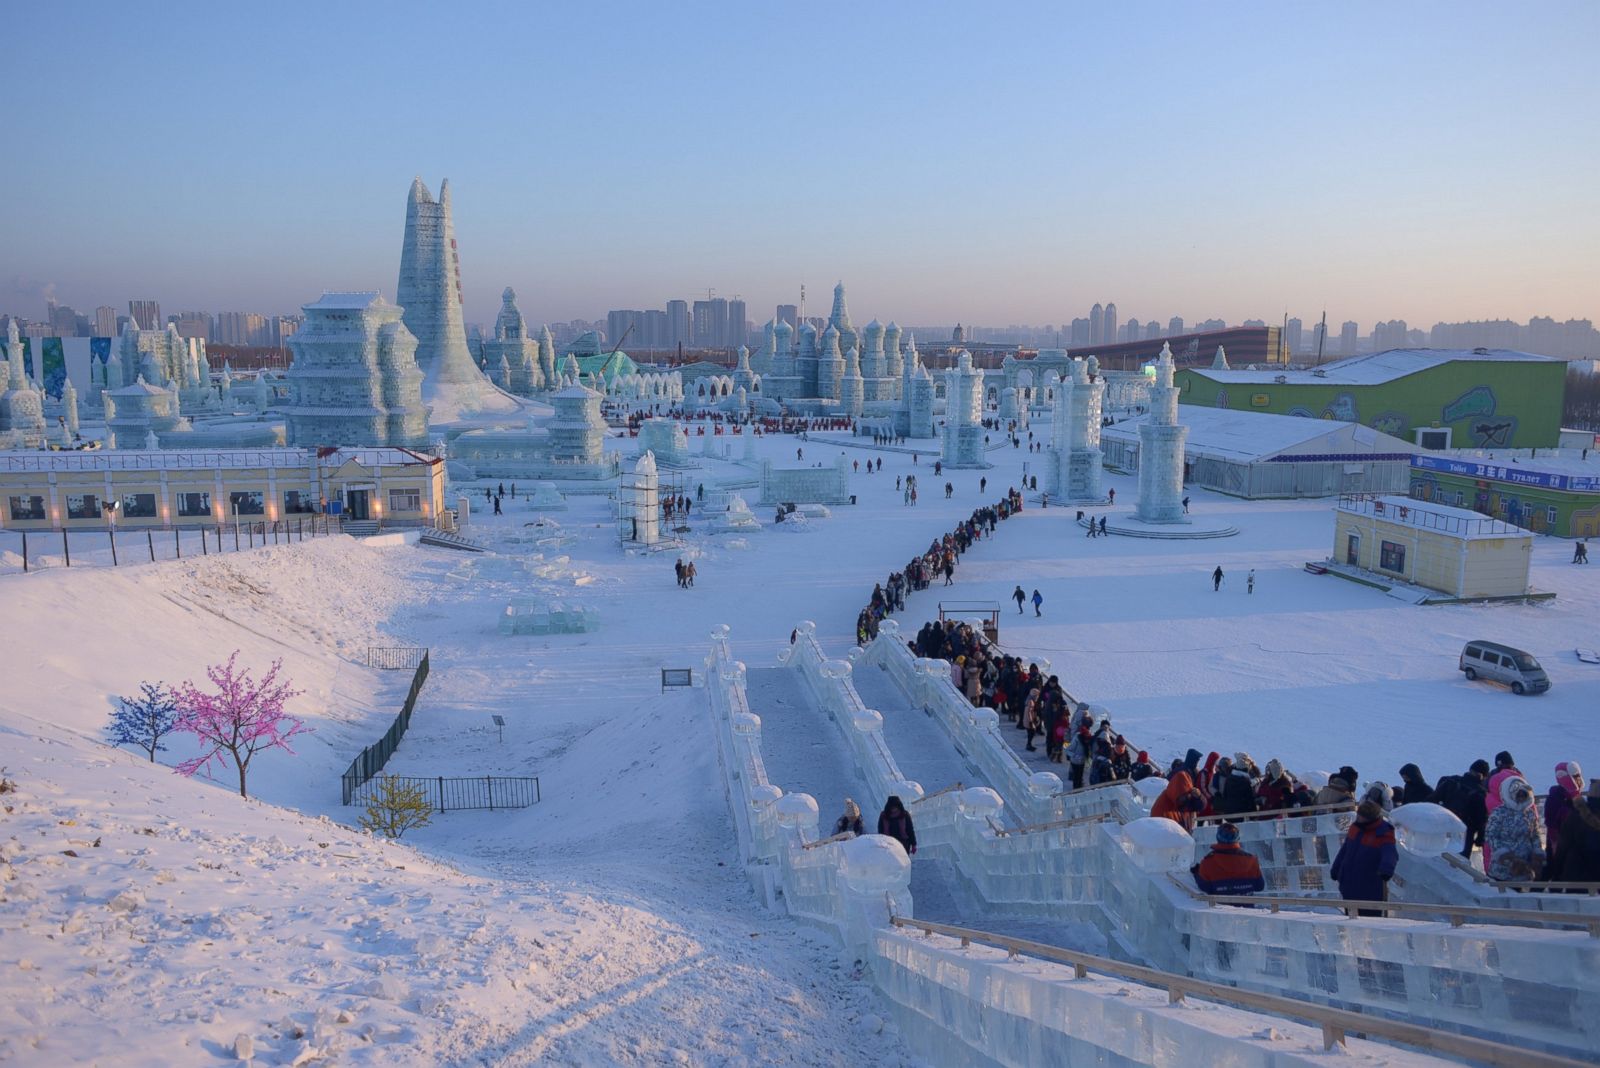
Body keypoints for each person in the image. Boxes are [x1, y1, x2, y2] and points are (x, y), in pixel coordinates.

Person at [1330, 797, 1398, 915]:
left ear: (1370, 819)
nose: (1358, 819)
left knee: (1370, 921)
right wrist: (1336, 869)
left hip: (1369, 886)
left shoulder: (1383, 832)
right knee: (1350, 920)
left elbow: (1390, 853)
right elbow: (1345, 850)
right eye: (1358, 816)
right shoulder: (1355, 828)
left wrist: (1387, 869)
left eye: (1362, 817)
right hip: (1348, 884)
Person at [1484, 776, 1543, 881]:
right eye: (1518, 795)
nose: (1521, 798)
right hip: (1502, 868)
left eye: (1524, 795)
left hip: (1524, 867)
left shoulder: (1529, 813)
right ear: (1510, 795)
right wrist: (1505, 855)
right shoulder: (1499, 812)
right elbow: (1491, 835)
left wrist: (1537, 852)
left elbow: (1535, 835)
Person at [1433, 760, 1490, 859]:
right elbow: (1481, 820)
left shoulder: (1451, 781)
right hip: (1464, 836)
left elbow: (1432, 800)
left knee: (1437, 858)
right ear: (1482, 776)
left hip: (1442, 828)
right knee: (1459, 866)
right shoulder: (1481, 793)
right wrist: (1480, 838)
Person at [1192, 823, 1265, 896]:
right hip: (1246, 907)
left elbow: (1205, 888)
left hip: (1219, 906)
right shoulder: (1252, 860)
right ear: (1238, 838)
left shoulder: (1207, 863)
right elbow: (1259, 887)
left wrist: (1196, 873)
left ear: (1217, 837)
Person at [1554, 779, 1600, 882]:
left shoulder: (1575, 817)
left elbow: (1562, 849)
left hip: (1578, 877)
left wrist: (1556, 876)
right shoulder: (1575, 818)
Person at [1544, 761, 1584, 877]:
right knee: (1557, 871)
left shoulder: (1575, 797)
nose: (1579, 779)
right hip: (1561, 844)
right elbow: (1552, 823)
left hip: (1573, 845)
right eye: (1575, 776)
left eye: (1578, 775)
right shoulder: (1556, 797)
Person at [1153, 765, 1206, 832]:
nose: (1184, 799)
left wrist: (1199, 797)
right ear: (1176, 794)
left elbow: (1200, 806)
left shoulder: (1187, 798)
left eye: (1186, 796)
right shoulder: (1161, 808)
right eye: (1182, 797)